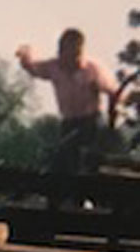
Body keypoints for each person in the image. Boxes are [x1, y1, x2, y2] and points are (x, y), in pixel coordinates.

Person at [15, 29, 121, 173]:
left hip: (91, 123)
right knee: (63, 161)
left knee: (80, 160)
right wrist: (25, 55)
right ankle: (62, 189)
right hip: (69, 123)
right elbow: (33, 68)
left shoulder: (93, 69)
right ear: (61, 50)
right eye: (66, 50)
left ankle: (82, 184)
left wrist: (114, 112)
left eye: (76, 52)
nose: (71, 57)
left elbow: (114, 92)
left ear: (80, 51)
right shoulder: (53, 67)